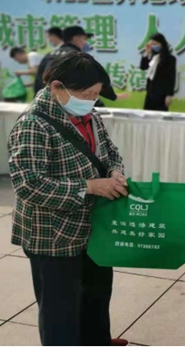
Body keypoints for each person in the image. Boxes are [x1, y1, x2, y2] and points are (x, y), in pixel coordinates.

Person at [8, 52, 129, 346]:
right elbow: (29, 185)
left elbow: (110, 153)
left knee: (96, 296)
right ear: (57, 87)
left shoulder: (91, 117)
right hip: (53, 235)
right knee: (59, 311)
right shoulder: (33, 124)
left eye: (96, 95)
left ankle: (96, 340)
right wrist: (89, 187)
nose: (91, 101)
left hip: (93, 228)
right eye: (86, 95)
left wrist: (115, 171)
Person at [34, 26, 129, 106]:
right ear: (76, 39)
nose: (86, 43)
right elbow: (96, 79)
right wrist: (113, 96)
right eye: (85, 39)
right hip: (70, 103)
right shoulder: (78, 57)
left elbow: (39, 80)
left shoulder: (49, 55)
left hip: (48, 102)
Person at [140, 33, 177, 111]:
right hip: (150, 93)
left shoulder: (170, 59)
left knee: (160, 115)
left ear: (162, 44)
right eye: (151, 44)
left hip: (162, 94)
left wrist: (169, 95)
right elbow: (143, 67)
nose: (153, 46)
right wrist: (146, 53)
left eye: (155, 44)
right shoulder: (152, 57)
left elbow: (171, 77)